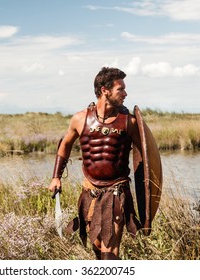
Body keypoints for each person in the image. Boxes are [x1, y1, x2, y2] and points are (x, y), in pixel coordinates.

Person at [48, 67, 143, 260]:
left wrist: (145, 195)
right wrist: (56, 176)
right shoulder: (80, 118)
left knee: (110, 249)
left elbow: (143, 157)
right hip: (90, 190)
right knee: (97, 246)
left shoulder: (128, 122)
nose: (125, 93)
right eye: (120, 89)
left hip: (117, 192)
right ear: (104, 90)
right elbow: (65, 145)